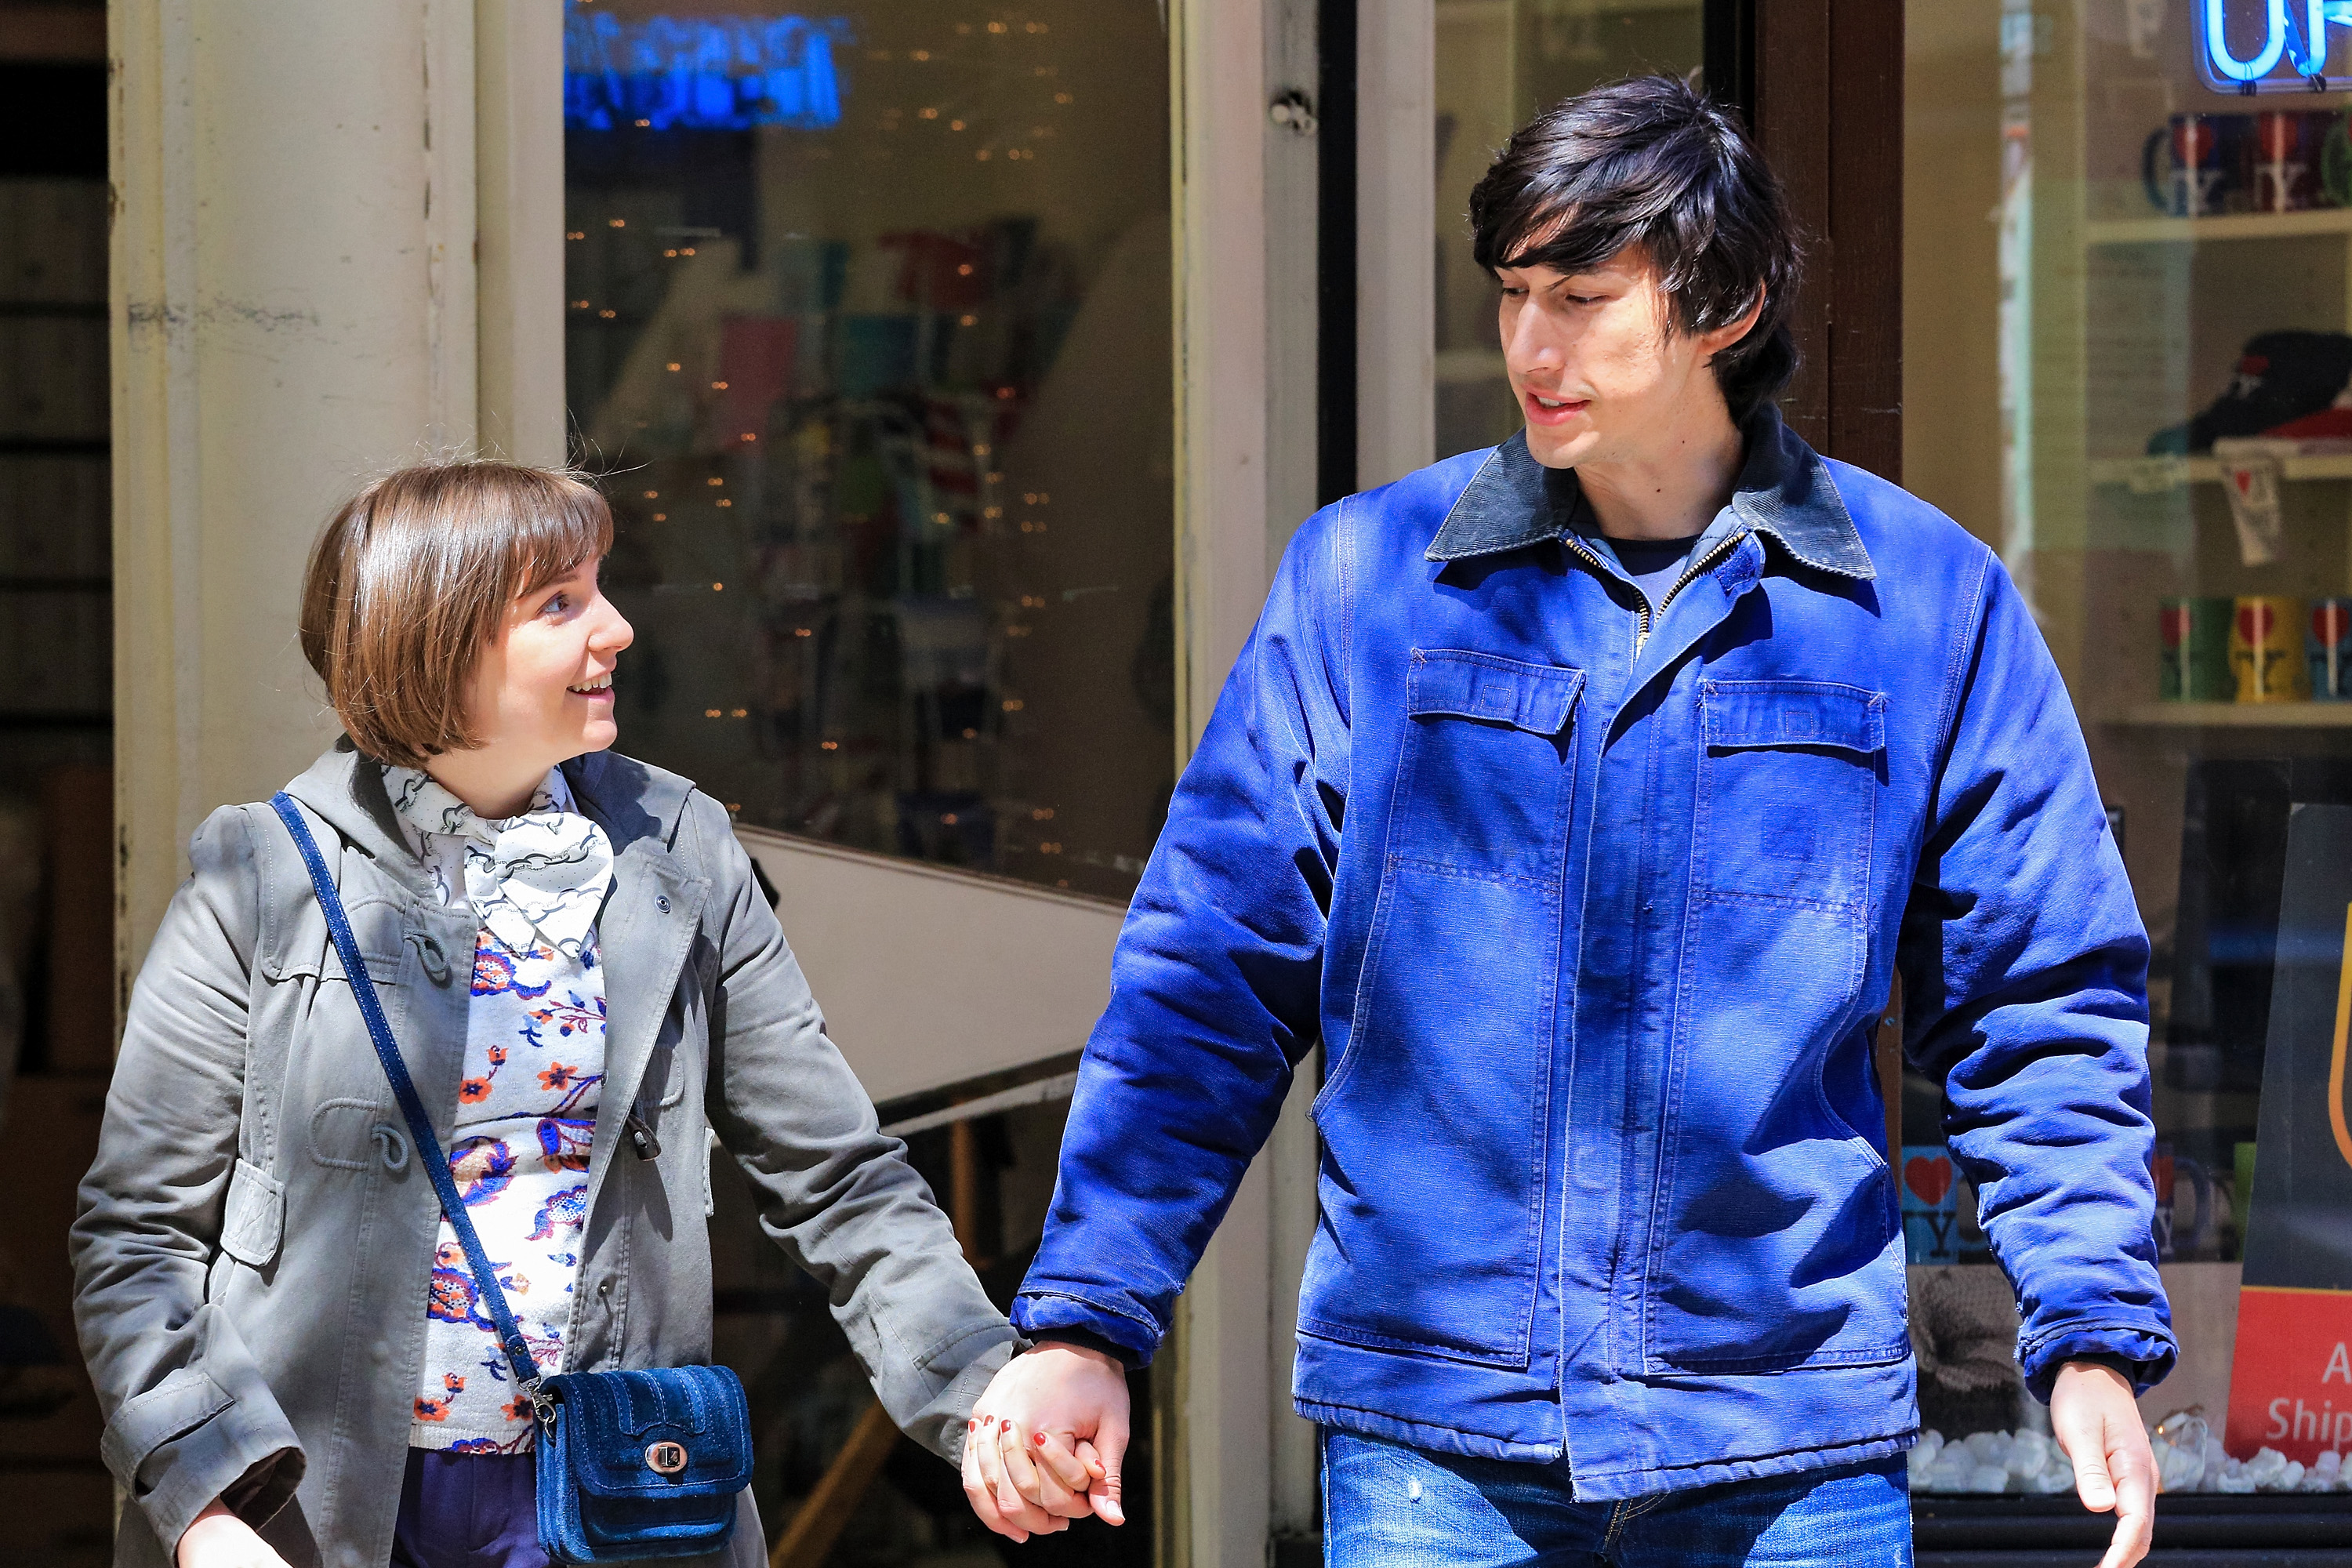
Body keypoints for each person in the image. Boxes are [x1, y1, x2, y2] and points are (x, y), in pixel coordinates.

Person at [960, 76, 2174, 1568]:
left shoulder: (1923, 606)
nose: (1532, 346)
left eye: (1584, 299)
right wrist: (1087, 1319)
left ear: (1728, 305)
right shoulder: (1370, 582)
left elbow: (2041, 998)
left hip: (1784, 1440)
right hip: (1438, 1440)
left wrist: (2089, 1330)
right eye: (1514, 292)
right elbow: (1209, 972)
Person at [71, 463, 1025, 1567]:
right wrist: (207, 1511)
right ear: (435, 643)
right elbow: (138, 1232)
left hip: (615, 1504)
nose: (616, 629)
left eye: (598, 590)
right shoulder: (261, 874)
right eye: (560, 603)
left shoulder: (680, 849)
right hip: (306, 1511)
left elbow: (836, 1172)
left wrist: (989, 1395)